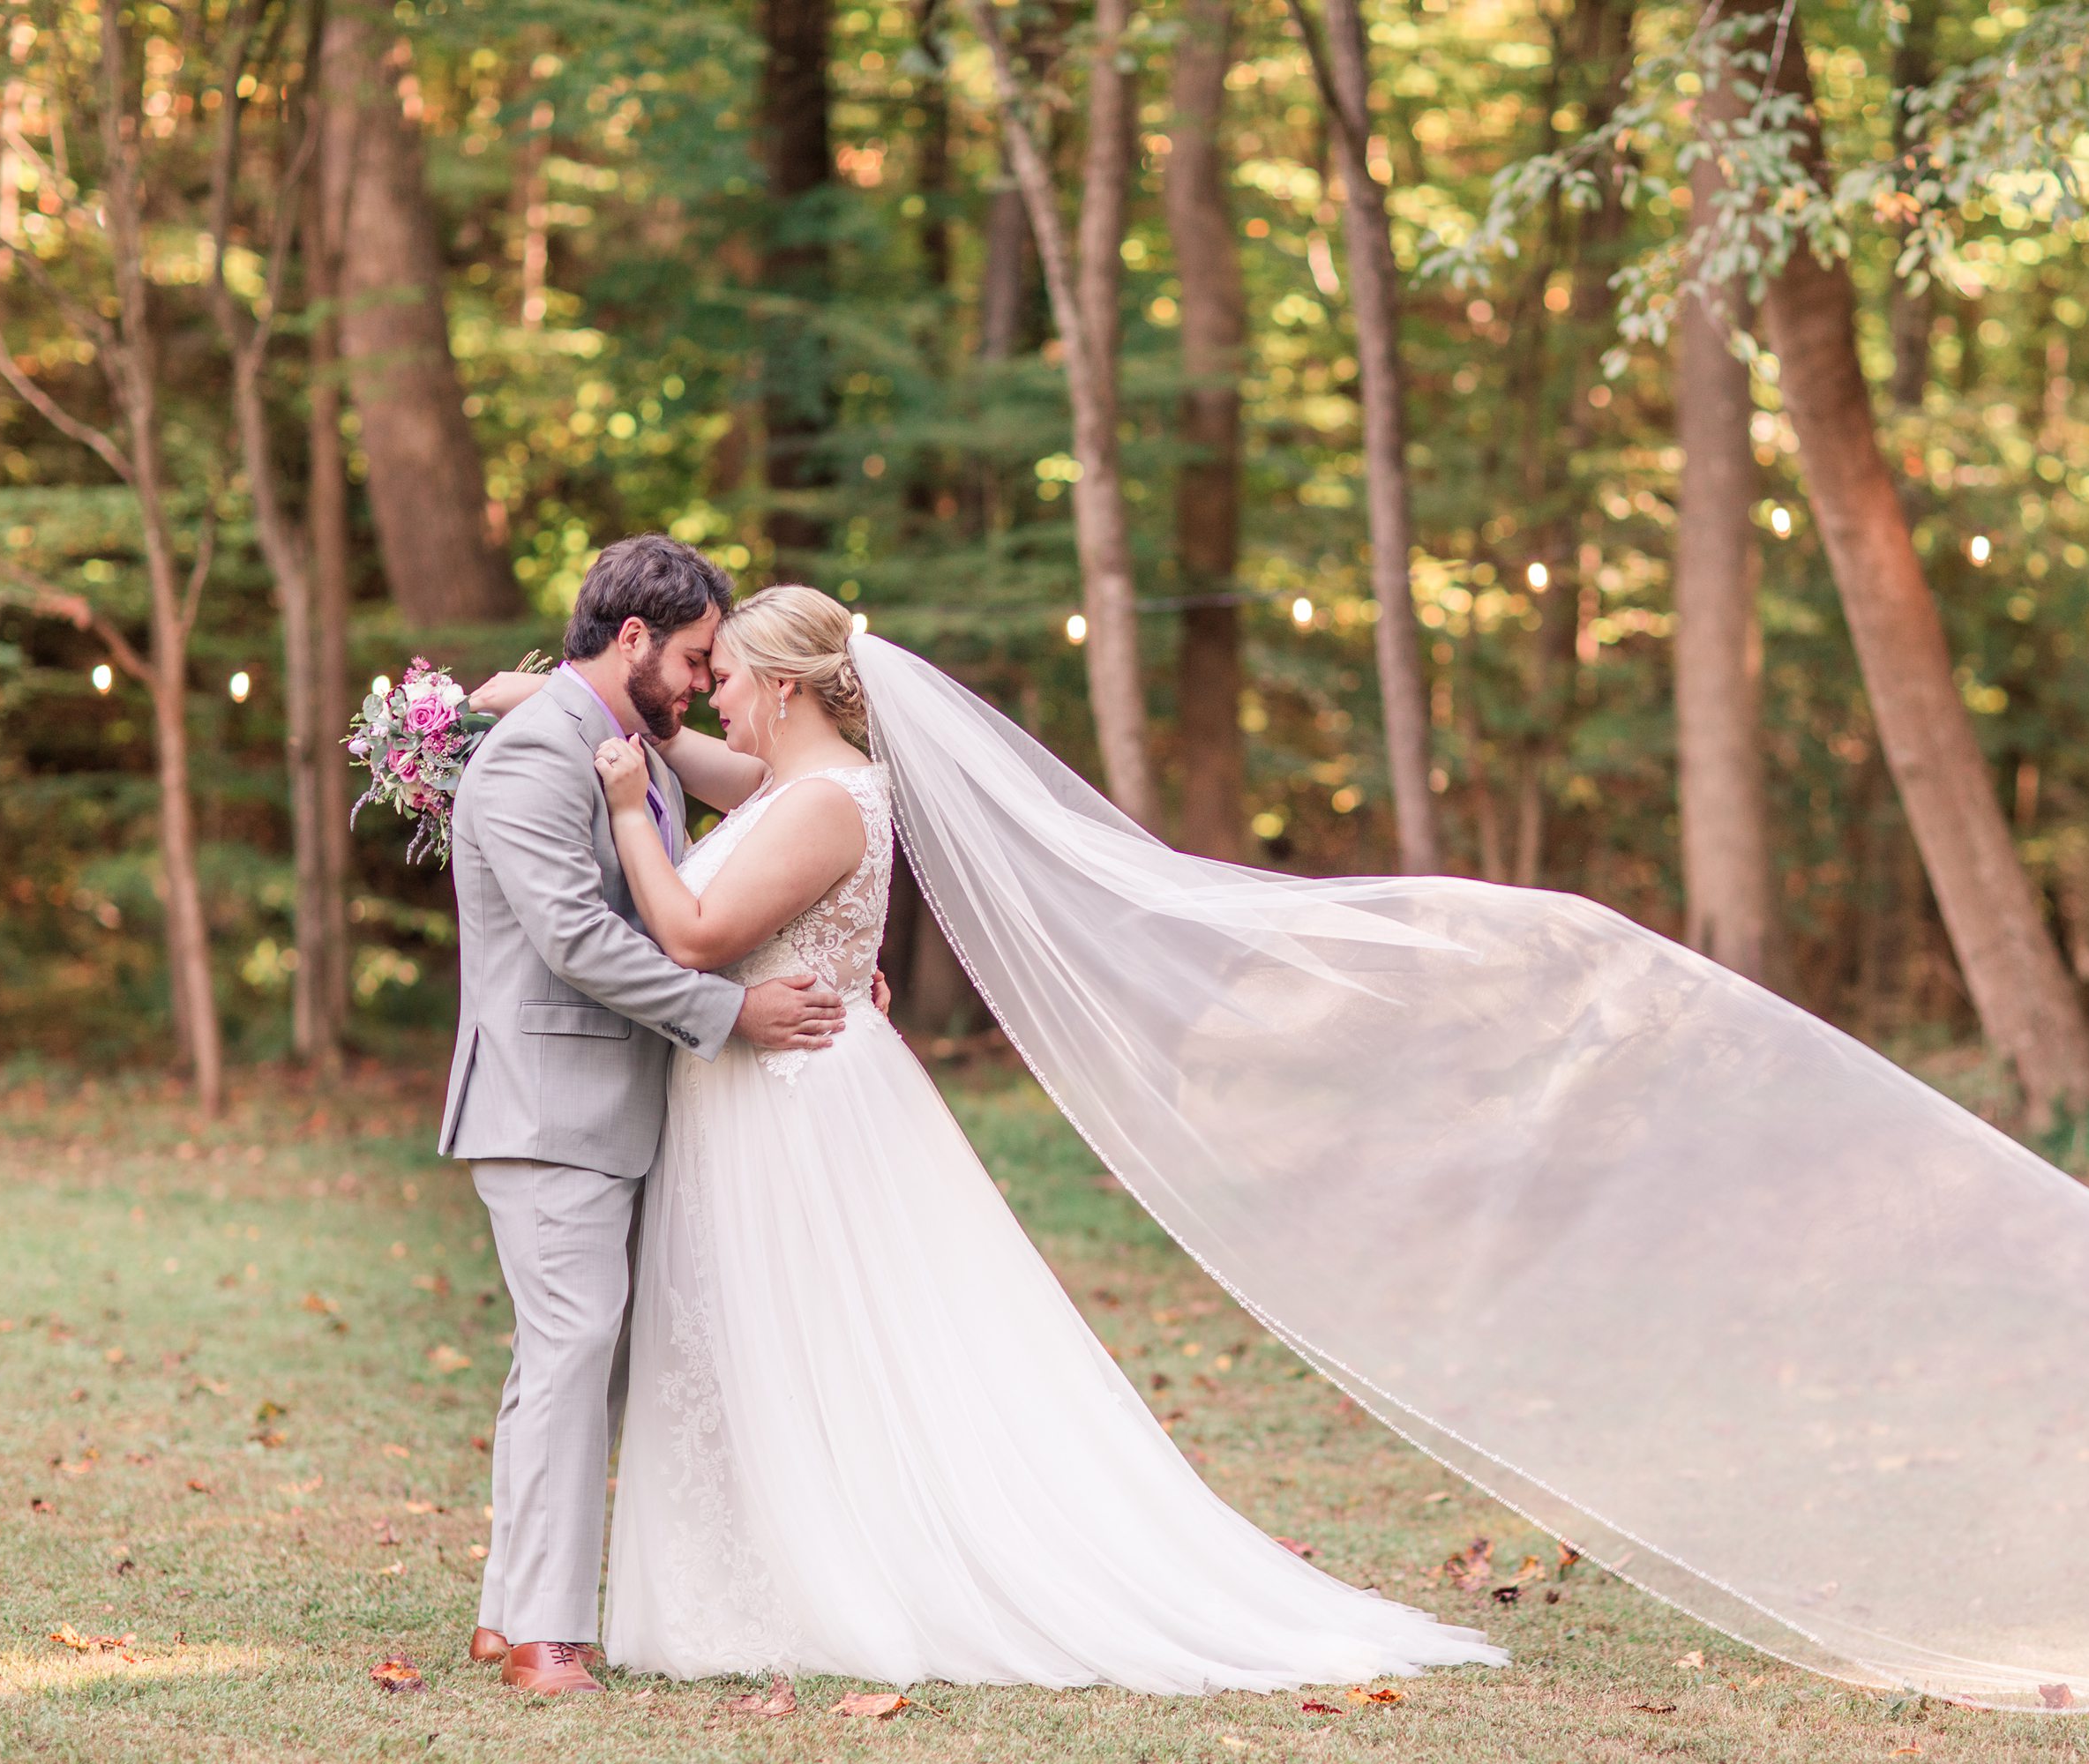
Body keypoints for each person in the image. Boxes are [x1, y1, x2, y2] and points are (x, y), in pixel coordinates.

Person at [592, 584, 1509, 1691]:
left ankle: (867, 1569)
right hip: (766, 1091)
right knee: (795, 1351)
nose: (707, 696)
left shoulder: (824, 802)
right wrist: (593, 710)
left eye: (725, 677)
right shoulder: (806, 782)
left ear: (781, 686)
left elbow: (691, 933)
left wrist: (630, 811)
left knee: (835, 1347)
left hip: (793, 1104)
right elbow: (711, 766)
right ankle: (783, 1562)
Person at [442, 537, 872, 1695]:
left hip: (613, 1104)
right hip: (549, 1108)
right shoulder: (538, 761)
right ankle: (543, 1638)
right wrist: (732, 1011)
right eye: (690, 658)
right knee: (576, 1348)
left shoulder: (624, 748)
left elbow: (730, 877)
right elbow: (578, 942)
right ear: (631, 638)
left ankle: (507, 1611)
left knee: (566, 1358)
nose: (697, 683)